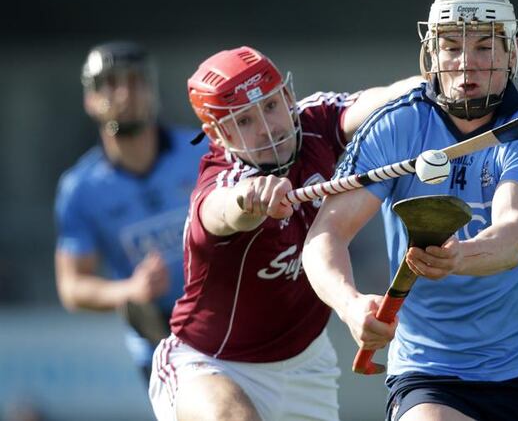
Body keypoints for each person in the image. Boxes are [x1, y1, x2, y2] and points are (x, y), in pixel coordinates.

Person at [302, 0, 518, 421]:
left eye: (484, 47)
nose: (467, 64)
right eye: (451, 47)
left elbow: (513, 237)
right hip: (433, 371)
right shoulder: (395, 126)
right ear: (431, 56)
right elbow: (324, 236)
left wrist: (456, 257)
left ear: (510, 54)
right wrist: (350, 306)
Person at [147, 45, 423, 421]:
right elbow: (219, 210)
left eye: (272, 106)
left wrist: (441, 82)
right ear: (217, 133)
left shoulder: (315, 122)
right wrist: (249, 201)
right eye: (244, 121)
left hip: (306, 366)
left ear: (289, 96)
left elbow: (384, 100)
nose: (266, 127)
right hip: (210, 364)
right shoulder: (222, 182)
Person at [54, 41, 207, 382]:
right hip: (160, 342)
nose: (125, 93)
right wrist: (130, 290)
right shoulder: (80, 190)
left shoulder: (203, 149)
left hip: (230, 317)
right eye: (111, 83)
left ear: (153, 91)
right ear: (90, 100)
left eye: (136, 81)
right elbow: (72, 286)